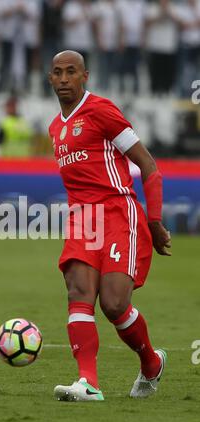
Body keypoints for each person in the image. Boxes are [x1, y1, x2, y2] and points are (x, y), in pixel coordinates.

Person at [48, 50, 171, 402]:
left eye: (72, 71)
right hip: (83, 220)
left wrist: (155, 219)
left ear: (84, 76)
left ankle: (151, 363)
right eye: (58, 72)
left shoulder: (101, 110)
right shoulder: (55, 128)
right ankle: (88, 383)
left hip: (119, 213)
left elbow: (148, 164)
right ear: (50, 79)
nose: (64, 78)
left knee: (115, 305)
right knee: (78, 293)